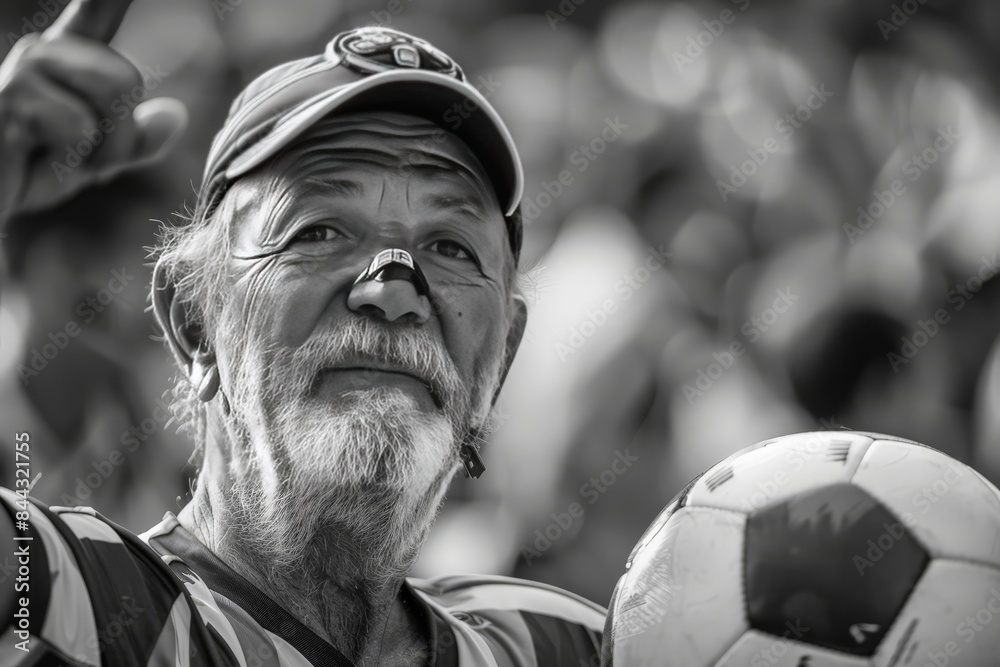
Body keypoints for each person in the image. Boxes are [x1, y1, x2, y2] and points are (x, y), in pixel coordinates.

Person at [0, 1, 605, 665]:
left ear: (504, 356)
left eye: (451, 246)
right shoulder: (78, 606)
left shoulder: (568, 643)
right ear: (195, 322)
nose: (394, 292)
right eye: (317, 231)